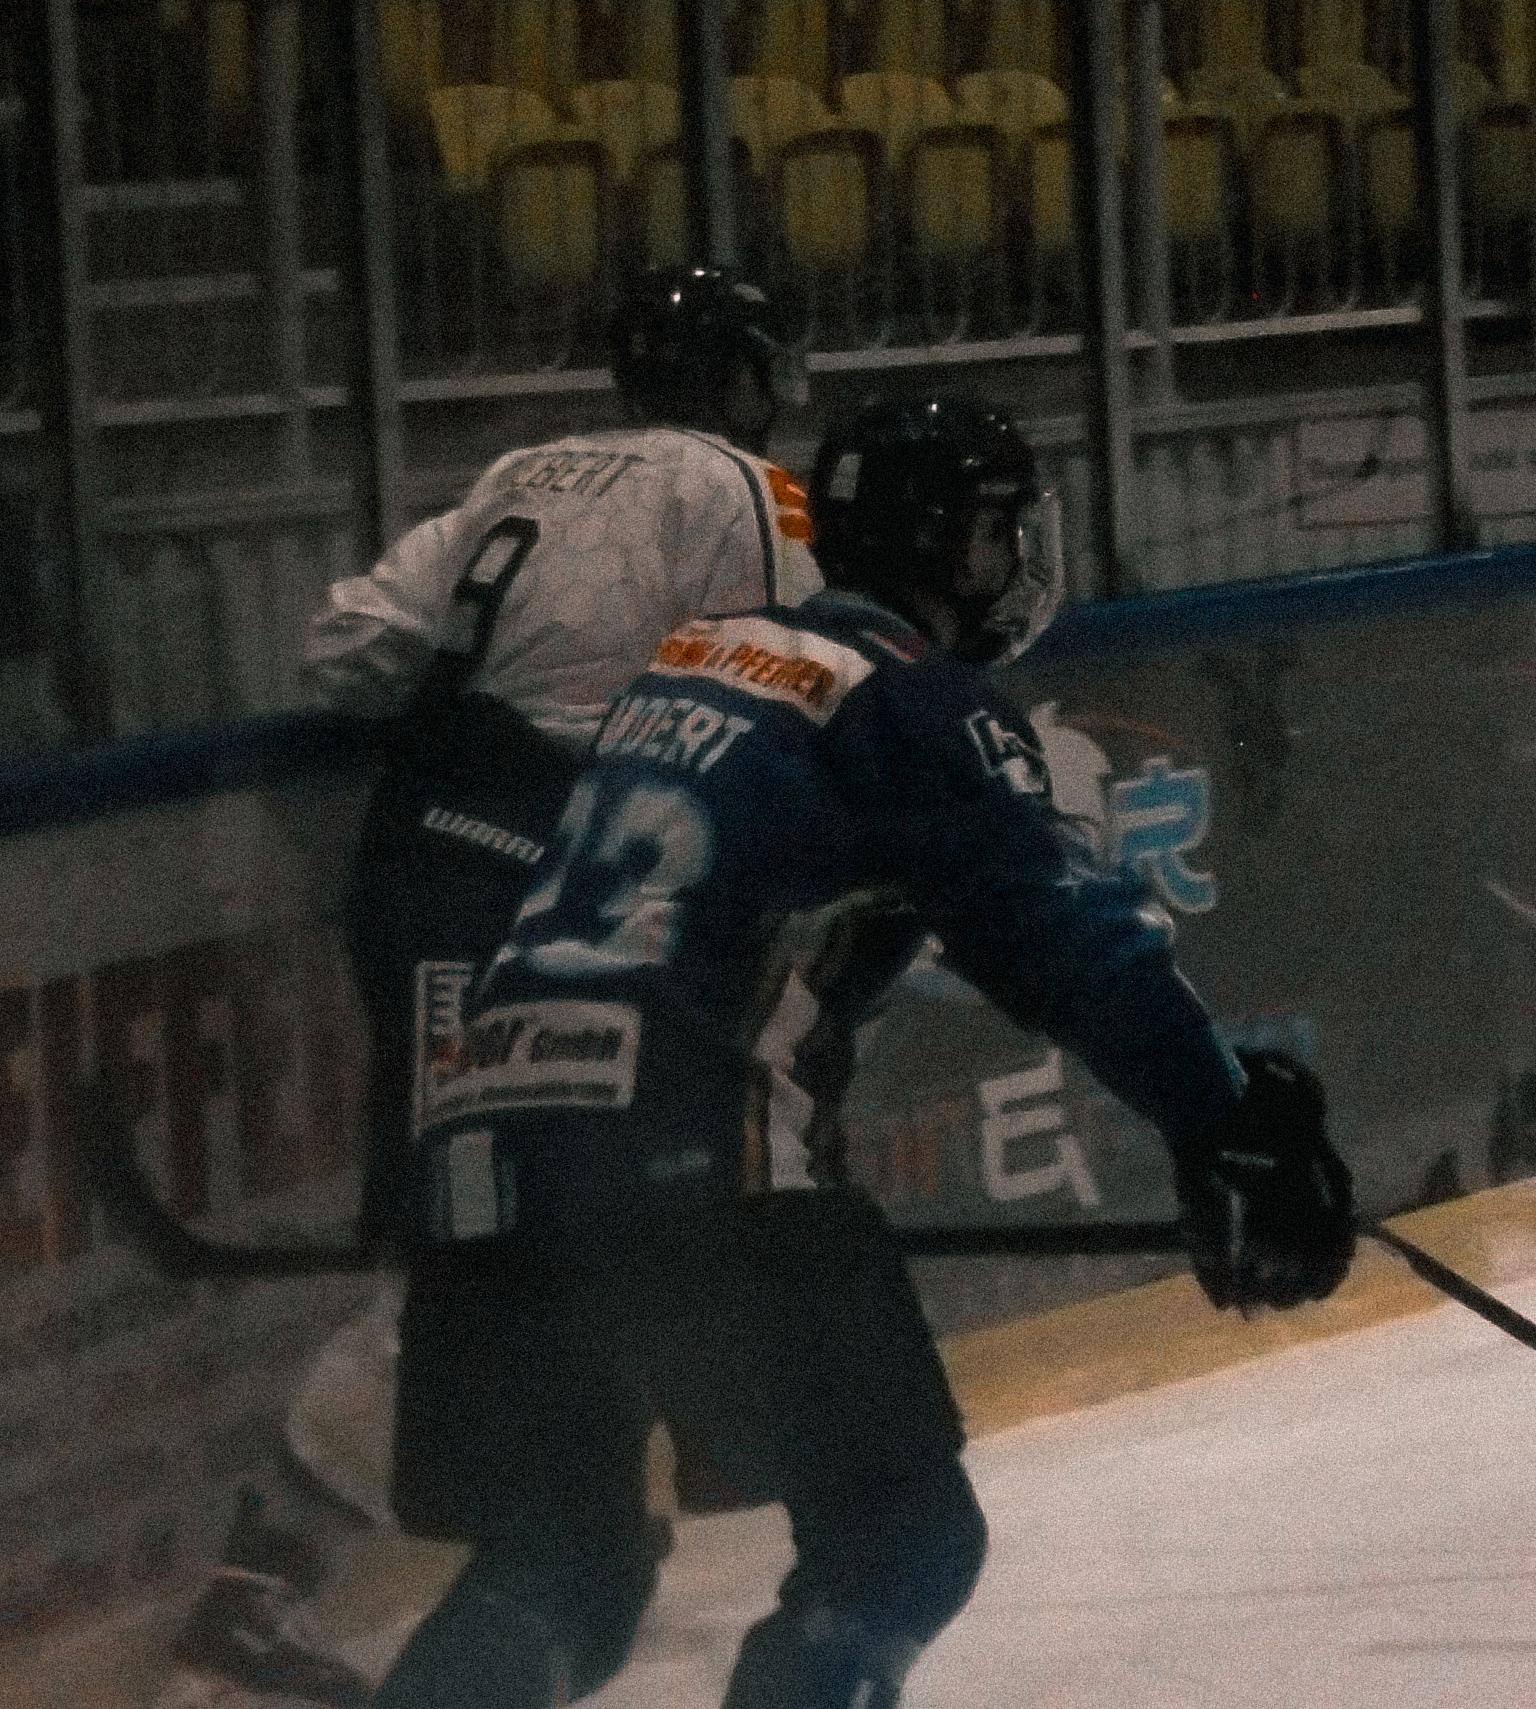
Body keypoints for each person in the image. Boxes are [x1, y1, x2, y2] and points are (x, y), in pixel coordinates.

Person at [373, 391, 1358, 1709]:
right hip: (683, 1144)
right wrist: (1223, 1120)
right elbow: (1062, 932)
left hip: (484, 1141)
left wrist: (1211, 1109)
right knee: (899, 1538)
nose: (1012, 564)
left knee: (561, 1571)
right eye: (998, 533)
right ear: (944, 545)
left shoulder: (694, 657)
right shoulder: (897, 697)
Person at [168, 265, 822, 1704]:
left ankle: (554, 1493)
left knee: (520, 1227)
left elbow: (347, 645)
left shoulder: (522, 471)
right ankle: (253, 1595)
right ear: (740, 376)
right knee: (481, 1250)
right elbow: (789, 678)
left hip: (433, 870)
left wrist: (514, 693)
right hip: (535, 900)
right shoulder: (737, 487)